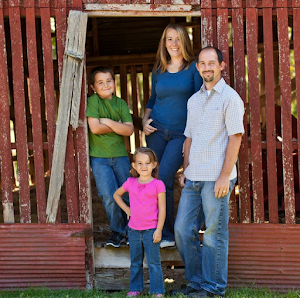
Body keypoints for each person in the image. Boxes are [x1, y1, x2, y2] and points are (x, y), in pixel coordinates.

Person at [171, 47, 244, 298]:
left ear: (222, 66)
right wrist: (186, 167)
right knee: (182, 229)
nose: (206, 67)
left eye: (211, 63)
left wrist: (225, 176)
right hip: (194, 176)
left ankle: (213, 288)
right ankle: (197, 281)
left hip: (217, 177)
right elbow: (189, 137)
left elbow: (235, 138)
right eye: (202, 63)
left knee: (214, 233)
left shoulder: (230, 98)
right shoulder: (194, 100)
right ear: (198, 67)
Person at [142, 23, 203, 248]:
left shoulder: (193, 68)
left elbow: (198, 101)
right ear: (164, 42)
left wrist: (193, 135)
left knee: (164, 177)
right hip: (156, 130)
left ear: (184, 42)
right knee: (151, 178)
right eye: (169, 39)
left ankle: (167, 233)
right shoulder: (158, 69)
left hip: (180, 133)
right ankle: (153, 229)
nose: (173, 44)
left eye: (177, 39)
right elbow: (151, 100)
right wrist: (144, 121)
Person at [86, 67, 134, 248]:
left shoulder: (120, 103)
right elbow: (95, 128)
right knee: (108, 195)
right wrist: (117, 125)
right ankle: (118, 231)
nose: (105, 85)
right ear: (93, 87)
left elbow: (129, 130)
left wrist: (105, 121)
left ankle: (132, 230)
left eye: (108, 81)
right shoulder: (93, 102)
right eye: (100, 82)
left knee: (127, 193)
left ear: (114, 82)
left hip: (120, 157)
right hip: (99, 159)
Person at [113, 147, 166, 297]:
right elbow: (116, 195)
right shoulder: (130, 182)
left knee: (153, 263)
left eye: (147, 163)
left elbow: (162, 208)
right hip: (134, 230)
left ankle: (157, 290)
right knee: (135, 261)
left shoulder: (158, 185)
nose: (144, 167)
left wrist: (159, 229)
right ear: (134, 166)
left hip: (151, 230)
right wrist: (127, 210)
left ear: (154, 164)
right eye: (140, 163)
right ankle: (135, 288)